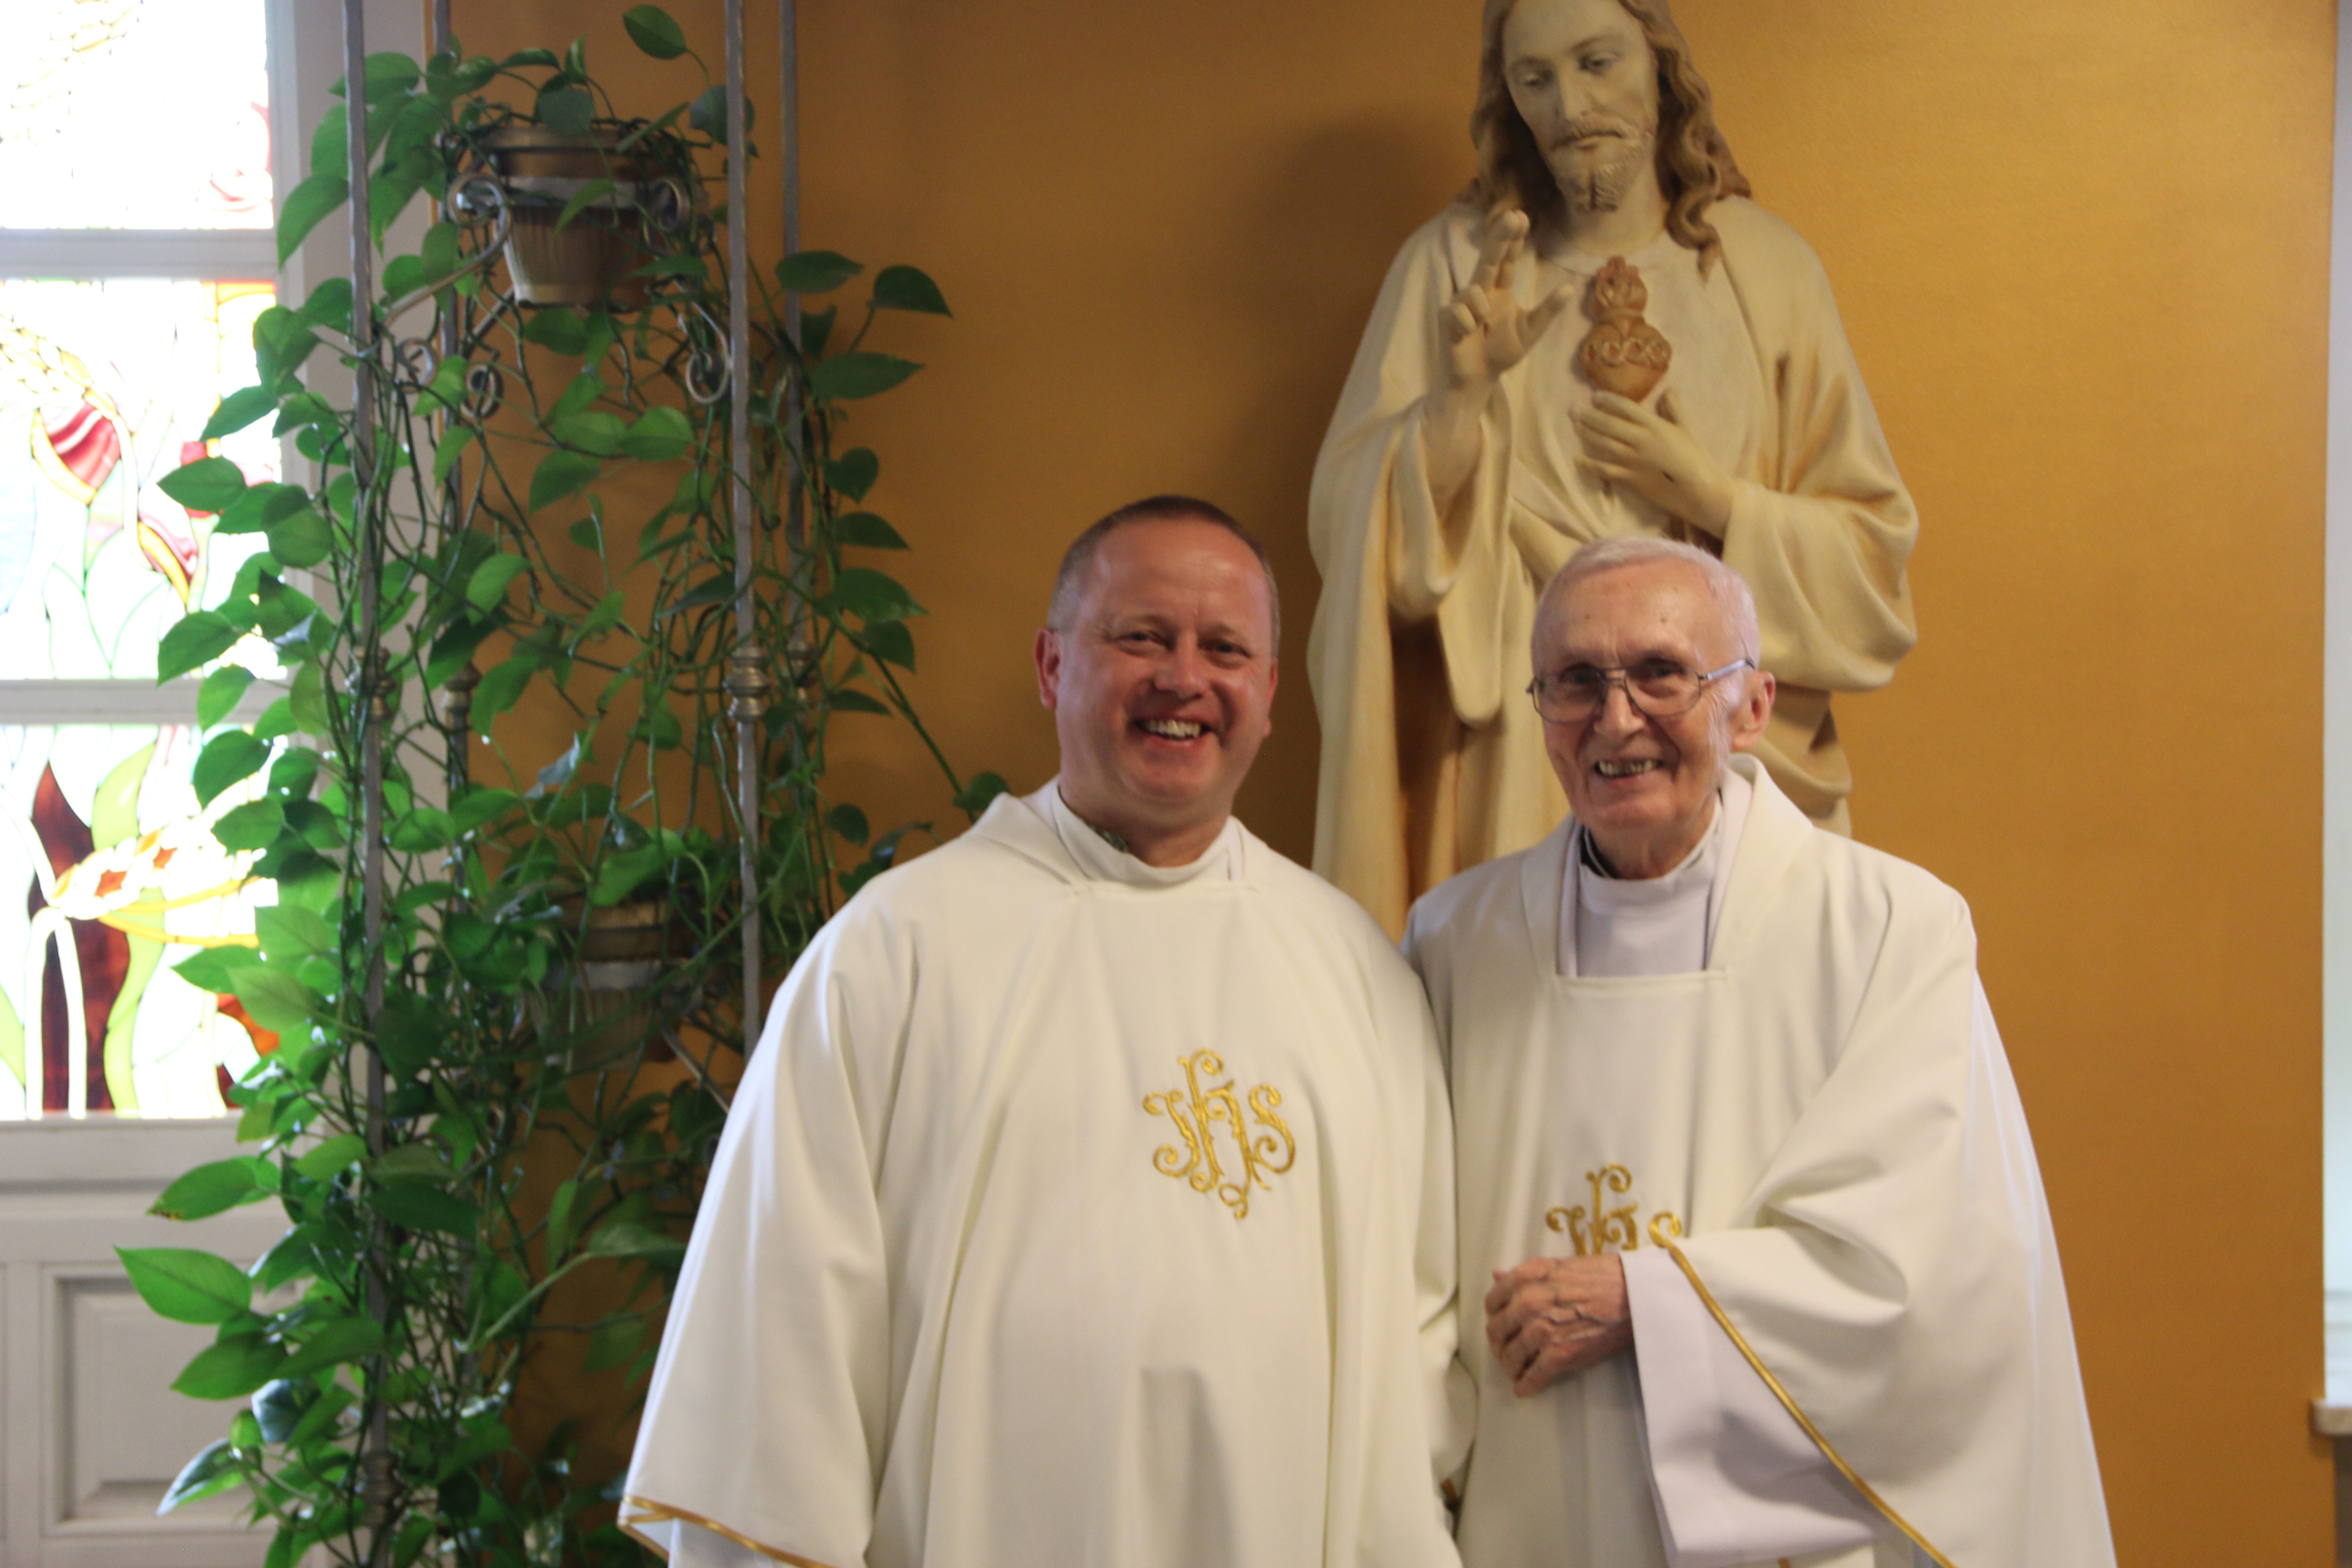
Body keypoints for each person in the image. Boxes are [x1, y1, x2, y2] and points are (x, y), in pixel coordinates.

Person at [621, 496, 1466, 1568]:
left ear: (1266, 697)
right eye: (1142, 637)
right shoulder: (891, 955)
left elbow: (1416, 1341)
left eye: (1224, 650)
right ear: (1052, 665)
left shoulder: (1355, 971)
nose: (1184, 679)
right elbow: (778, 1340)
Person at [1404, 537, 2113, 1568]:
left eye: (1661, 673)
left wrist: (1646, 1301)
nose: (1616, 719)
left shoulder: (1890, 931)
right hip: (1533, 1508)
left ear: (1751, 707)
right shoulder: (1455, 943)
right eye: (1576, 682)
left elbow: (1940, 1282)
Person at [1308, 0, 1918, 937]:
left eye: (1597, 63)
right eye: (1535, 79)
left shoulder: (1766, 271)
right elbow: (1354, 524)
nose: (1570, 106)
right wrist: (1457, 405)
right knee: (1522, 992)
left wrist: (1717, 501)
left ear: (1661, 69)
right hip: (1521, 735)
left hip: (1704, 727)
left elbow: (1872, 555)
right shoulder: (1454, 266)